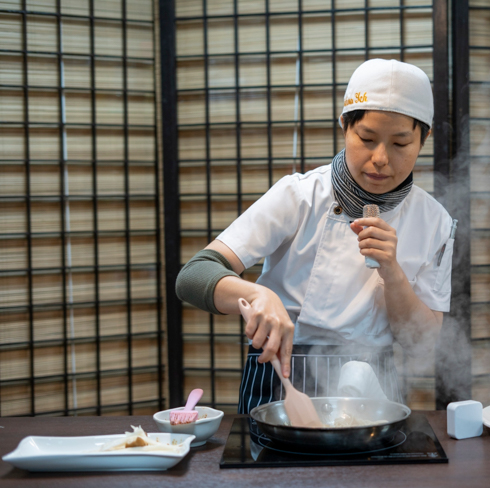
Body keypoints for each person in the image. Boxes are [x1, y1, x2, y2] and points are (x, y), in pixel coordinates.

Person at [176, 58, 455, 413]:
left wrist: (393, 273)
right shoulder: (300, 196)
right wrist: (257, 295)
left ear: (424, 138)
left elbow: (423, 344)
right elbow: (193, 275)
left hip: (373, 382)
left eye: (400, 144)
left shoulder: (434, 221)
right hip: (281, 374)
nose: (381, 158)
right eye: (366, 138)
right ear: (344, 127)